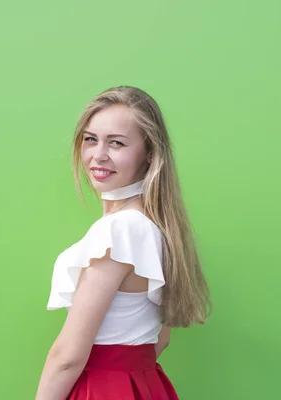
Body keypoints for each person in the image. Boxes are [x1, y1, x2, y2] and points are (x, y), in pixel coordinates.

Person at [35, 86, 211, 400]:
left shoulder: (119, 232)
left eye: (116, 143)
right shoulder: (157, 227)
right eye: (91, 139)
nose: (98, 154)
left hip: (102, 389)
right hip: (143, 385)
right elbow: (161, 339)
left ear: (149, 154)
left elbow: (68, 357)